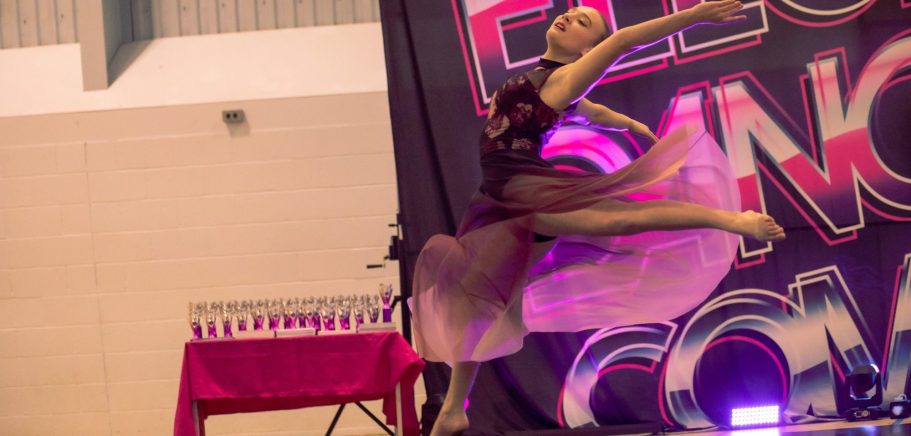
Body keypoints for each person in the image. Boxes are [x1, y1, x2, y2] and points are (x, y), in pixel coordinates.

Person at [408, 2, 785, 435]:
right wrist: (630, 125)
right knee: (480, 297)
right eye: (571, 13)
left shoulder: (565, 79)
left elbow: (623, 41)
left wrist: (694, 15)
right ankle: (454, 408)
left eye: (583, 22)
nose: (568, 17)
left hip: (522, 190)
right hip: (495, 197)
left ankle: (731, 220)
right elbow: (593, 113)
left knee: (616, 221)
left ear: (589, 50)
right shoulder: (547, 79)